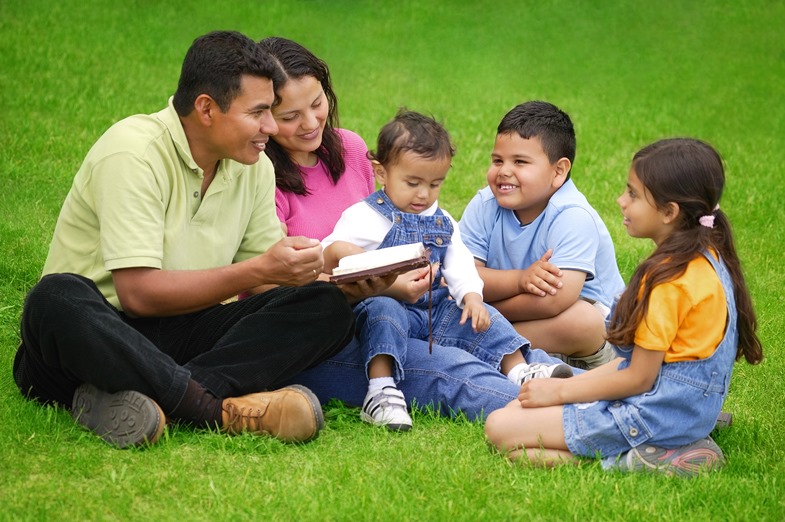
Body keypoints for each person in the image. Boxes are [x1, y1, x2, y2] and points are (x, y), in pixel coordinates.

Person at [12, 31, 363, 449]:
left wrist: (339, 282)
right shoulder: (133, 152)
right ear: (206, 109)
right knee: (55, 297)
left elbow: (268, 281)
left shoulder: (253, 166)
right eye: (259, 112)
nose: (271, 126)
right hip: (96, 334)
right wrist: (257, 269)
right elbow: (138, 294)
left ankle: (136, 399)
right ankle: (218, 411)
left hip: (186, 331)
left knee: (324, 305)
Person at [258, 36, 560, 422]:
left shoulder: (349, 148)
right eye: (290, 117)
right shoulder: (261, 177)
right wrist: (376, 284)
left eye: (317, 104)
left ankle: (617, 393)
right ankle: (576, 415)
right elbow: (266, 287)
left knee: (496, 341)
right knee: (450, 368)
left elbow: (390, 227)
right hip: (329, 327)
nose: (312, 122)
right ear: (264, 115)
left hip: (407, 306)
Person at [484, 137, 763, 476]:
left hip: (653, 414)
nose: (620, 201)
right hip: (686, 408)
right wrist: (561, 393)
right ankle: (680, 437)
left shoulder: (668, 281)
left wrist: (559, 390)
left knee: (500, 426)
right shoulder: (708, 256)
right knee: (522, 410)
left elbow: (638, 378)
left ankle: (651, 456)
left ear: (669, 212)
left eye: (632, 194)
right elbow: (638, 367)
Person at [322, 109, 574, 431]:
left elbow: (459, 262)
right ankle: (381, 390)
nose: (424, 194)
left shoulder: (441, 221)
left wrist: (471, 296)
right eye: (412, 183)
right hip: (384, 303)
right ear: (381, 172)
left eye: (434, 184)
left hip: (432, 308)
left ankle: (519, 369)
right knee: (382, 313)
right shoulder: (365, 216)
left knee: (482, 317)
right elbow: (333, 251)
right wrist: (384, 274)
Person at [459, 101, 626, 369]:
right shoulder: (485, 204)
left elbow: (554, 301)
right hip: (523, 323)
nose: (504, 171)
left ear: (558, 171)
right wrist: (519, 280)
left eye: (520, 162)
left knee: (583, 321)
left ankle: (481, 349)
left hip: (597, 347)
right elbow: (462, 274)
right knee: (454, 298)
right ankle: (521, 360)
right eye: (497, 160)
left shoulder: (572, 215)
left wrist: (488, 310)